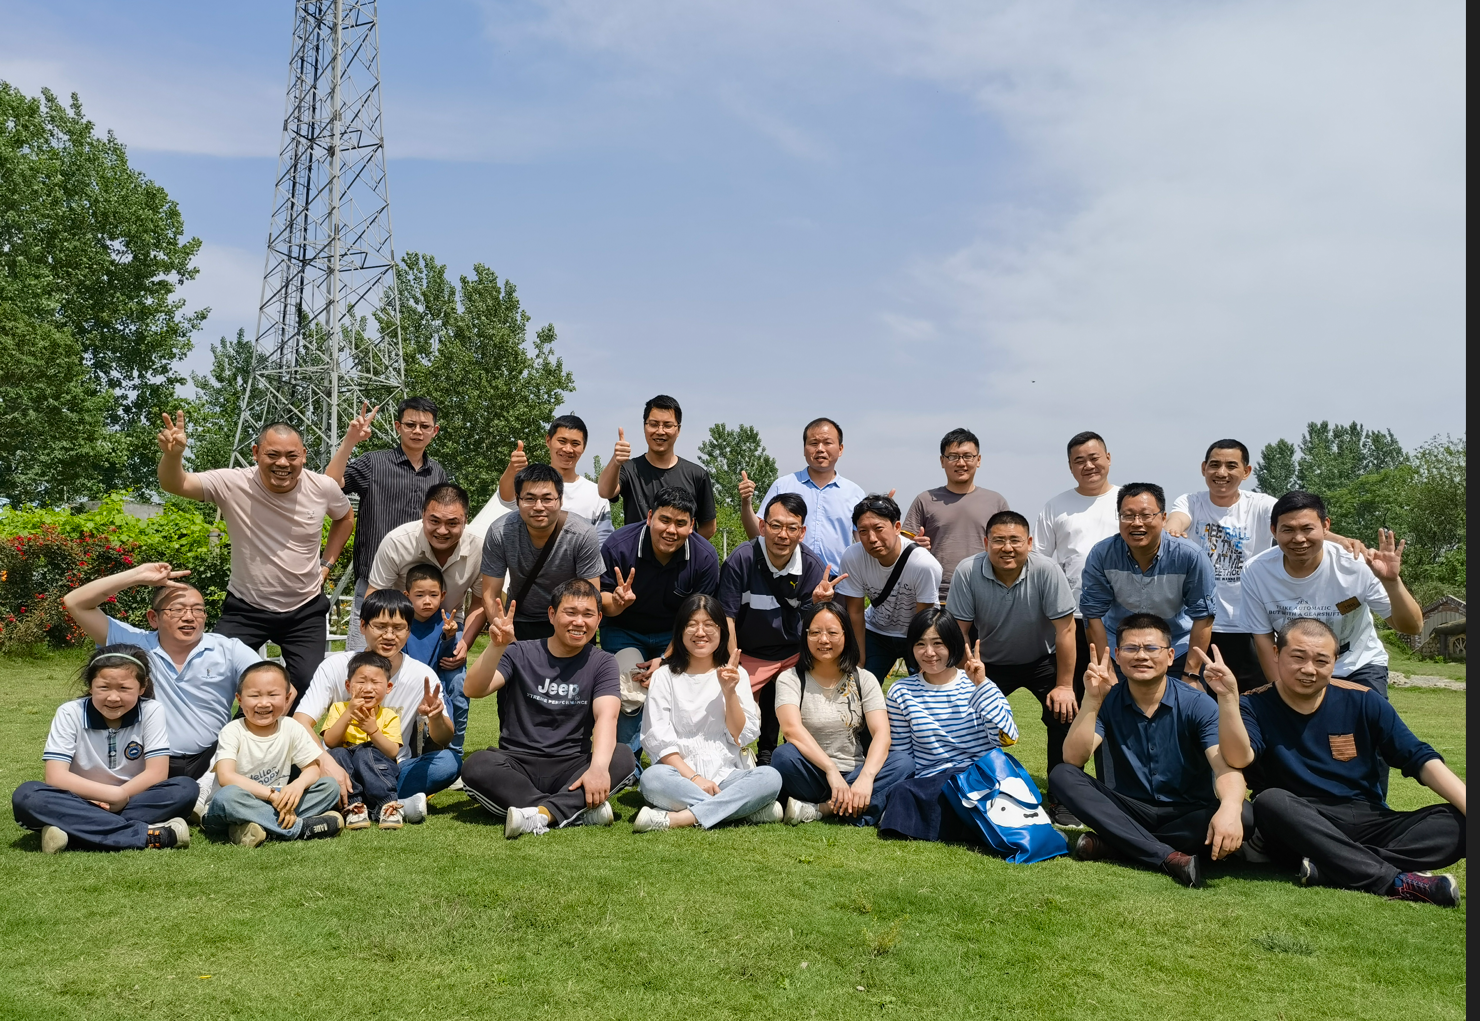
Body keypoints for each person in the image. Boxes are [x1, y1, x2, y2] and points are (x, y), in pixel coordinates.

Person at [1207, 617, 1465, 906]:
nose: (1309, 669)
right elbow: (1239, 757)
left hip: (1366, 817)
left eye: (1321, 661)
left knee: (1458, 822)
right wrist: (1227, 698)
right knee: (1270, 801)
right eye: (1298, 657)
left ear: (1335, 662)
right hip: (1300, 823)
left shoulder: (1364, 700)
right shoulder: (1252, 704)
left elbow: (1418, 757)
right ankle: (1394, 881)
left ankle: (1335, 867)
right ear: (1277, 654)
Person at [156, 413, 353, 700]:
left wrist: (326, 564)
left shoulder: (322, 487)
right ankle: (231, 728)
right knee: (213, 674)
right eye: (272, 455)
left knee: (307, 685)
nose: (282, 463)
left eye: (291, 456)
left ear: (304, 455)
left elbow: (345, 517)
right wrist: (173, 456)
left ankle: (274, 728)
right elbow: (176, 484)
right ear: (256, 452)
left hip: (304, 608)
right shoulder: (232, 482)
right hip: (246, 606)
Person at [1049, 614, 1252, 888]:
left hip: (1186, 812)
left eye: (1151, 648)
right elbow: (1074, 758)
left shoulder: (1197, 704)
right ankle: (1167, 856)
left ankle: (1118, 845)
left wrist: (1229, 808)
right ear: (1117, 656)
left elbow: (1226, 767)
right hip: (1126, 809)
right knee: (1062, 775)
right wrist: (1091, 701)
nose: (1141, 656)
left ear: (1170, 656)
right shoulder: (1107, 700)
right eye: (1131, 648)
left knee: (1244, 815)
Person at [1166, 440, 1357, 692]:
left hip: (1251, 625)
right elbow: (1177, 520)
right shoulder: (1191, 502)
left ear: (1246, 471)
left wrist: (1341, 540)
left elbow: (1298, 523)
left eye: (1231, 466)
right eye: (1214, 465)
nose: (1221, 472)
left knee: (1255, 697)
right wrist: (1172, 530)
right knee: (1202, 698)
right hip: (1203, 625)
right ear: (1204, 468)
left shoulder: (1261, 505)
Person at [461, 580, 637, 838]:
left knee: (622, 757)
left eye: (588, 614)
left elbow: (607, 717)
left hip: (572, 766)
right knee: (476, 765)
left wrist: (598, 768)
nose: (579, 622)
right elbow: (473, 689)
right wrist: (496, 646)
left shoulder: (603, 662)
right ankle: (572, 810)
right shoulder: (520, 652)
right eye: (570, 612)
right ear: (552, 615)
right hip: (517, 763)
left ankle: (539, 815)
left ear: (599, 619)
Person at [62, 562, 261, 784]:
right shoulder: (135, 644)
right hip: (147, 759)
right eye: (177, 610)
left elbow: (277, 686)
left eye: (198, 609)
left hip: (212, 757)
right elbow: (76, 603)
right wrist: (136, 576)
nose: (189, 617)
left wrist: (243, 729)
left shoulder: (228, 650)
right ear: (153, 618)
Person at [945, 510, 1081, 827]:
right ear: (986, 543)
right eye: (999, 540)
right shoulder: (967, 571)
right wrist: (965, 676)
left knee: (1065, 715)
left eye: (1015, 540)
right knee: (964, 717)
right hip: (987, 662)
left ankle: (1063, 800)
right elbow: (958, 632)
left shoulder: (1047, 570)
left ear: (1029, 543)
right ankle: (969, 789)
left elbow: (1066, 629)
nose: (1007, 548)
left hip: (1042, 660)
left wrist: (1064, 685)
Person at [1237, 492, 1421, 699]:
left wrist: (1392, 582)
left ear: (1325, 526)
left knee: (1369, 720)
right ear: (1274, 531)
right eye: (1288, 530)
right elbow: (1263, 639)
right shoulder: (1256, 572)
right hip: (1297, 670)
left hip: (1357, 666)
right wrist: (1283, 692)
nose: (1299, 539)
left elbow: (1412, 627)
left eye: (1307, 528)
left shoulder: (1357, 565)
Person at [13, 645, 196, 853]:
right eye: (104, 687)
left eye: (124, 688)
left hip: (132, 799)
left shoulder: (151, 710)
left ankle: (73, 832)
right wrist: (112, 794)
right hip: (79, 800)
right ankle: (148, 835)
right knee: (27, 795)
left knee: (185, 789)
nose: (113, 697)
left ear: (142, 687)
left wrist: (121, 795)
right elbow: (55, 776)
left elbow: (157, 772)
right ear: (90, 686)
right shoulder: (70, 712)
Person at [294, 590, 456, 823]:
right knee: (299, 761)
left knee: (448, 763)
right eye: (380, 626)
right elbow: (301, 721)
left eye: (398, 628)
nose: (389, 636)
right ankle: (386, 803)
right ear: (363, 626)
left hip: (391, 769)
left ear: (409, 630)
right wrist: (326, 762)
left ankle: (352, 802)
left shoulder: (422, 675)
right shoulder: (335, 666)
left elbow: (444, 738)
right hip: (339, 765)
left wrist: (436, 716)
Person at [632, 594, 785, 832]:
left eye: (709, 625)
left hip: (726, 774)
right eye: (692, 624)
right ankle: (744, 809)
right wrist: (695, 779)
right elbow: (659, 741)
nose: (700, 632)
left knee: (770, 777)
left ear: (721, 631)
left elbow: (740, 736)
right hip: (679, 776)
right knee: (651, 779)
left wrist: (729, 691)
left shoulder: (736, 674)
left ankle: (679, 818)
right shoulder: (664, 676)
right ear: (680, 631)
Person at [598, 487, 721, 772]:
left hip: (675, 633)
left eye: (681, 523)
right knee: (631, 690)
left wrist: (666, 659)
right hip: (624, 627)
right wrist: (617, 602)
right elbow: (599, 600)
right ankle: (626, 767)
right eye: (664, 520)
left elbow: (698, 620)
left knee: (674, 688)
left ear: (692, 525)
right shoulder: (618, 545)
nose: (671, 530)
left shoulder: (704, 557)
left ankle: (672, 762)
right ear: (650, 516)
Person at [877, 607, 1018, 843]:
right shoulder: (901, 692)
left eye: (938, 643)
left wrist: (982, 686)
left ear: (953, 644)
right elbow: (903, 754)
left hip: (978, 776)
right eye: (920, 644)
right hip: (932, 781)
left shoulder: (978, 684)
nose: (929, 652)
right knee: (905, 792)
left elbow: (1008, 737)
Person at [771, 602, 914, 827]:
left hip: (855, 772)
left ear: (846, 636)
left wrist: (866, 777)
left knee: (903, 762)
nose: (823, 639)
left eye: (832, 632)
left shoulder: (864, 679)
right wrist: (830, 770)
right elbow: (791, 730)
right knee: (783, 757)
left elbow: (882, 734)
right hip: (813, 773)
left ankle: (824, 809)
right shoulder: (790, 679)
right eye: (815, 633)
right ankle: (862, 805)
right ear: (805, 636)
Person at [368, 482, 485, 752]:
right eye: (434, 521)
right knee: (383, 685)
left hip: (448, 629)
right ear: (423, 515)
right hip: (401, 630)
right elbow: (375, 597)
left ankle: (452, 752)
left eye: (452, 523)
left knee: (457, 685)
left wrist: (464, 642)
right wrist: (385, 640)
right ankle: (382, 748)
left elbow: (480, 602)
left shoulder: (479, 546)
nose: (442, 530)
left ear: (465, 520)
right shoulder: (398, 542)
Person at [325, 398, 449, 651]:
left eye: (424, 426)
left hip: (419, 589)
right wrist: (350, 441)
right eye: (410, 424)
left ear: (434, 431)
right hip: (375, 583)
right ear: (397, 426)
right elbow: (329, 484)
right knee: (364, 661)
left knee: (412, 665)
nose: (417, 431)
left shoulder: (438, 474)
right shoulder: (373, 463)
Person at [717, 492, 829, 765]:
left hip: (792, 654)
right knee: (727, 707)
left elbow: (813, 626)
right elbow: (727, 618)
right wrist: (734, 665)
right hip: (749, 653)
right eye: (776, 525)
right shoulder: (741, 559)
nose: (783, 535)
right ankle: (726, 759)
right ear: (762, 526)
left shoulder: (812, 566)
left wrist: (817, 605)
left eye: (792, 528)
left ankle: (785, 759)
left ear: (802, 532)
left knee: (805, 709)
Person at [1080, 482, 1216, 680]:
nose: (1136, 523)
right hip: (1120, 651)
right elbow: (1092, 614)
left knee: (1188, 698)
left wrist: (1191, 673)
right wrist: (1106, 669)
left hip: (1176, 649)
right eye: (1128, 515)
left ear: (1163, 518)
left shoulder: (1190, 556)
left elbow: (1203, 616)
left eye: (1146, 515)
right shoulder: (1102, 555)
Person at [204, 661, 345, 847]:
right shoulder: (233, 730)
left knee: (330, 786)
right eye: (254, 695)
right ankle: (300, 828)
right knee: (228, 796)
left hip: (277, 800)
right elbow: (226, 777)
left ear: (287, 698)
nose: (264, 703)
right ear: (240, 699)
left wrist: (297, 786)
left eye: (273, 695)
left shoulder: (291, 726)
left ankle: (251, 827)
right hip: (238, 802)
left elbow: (312, 770)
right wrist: (271, 796)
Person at [1033, 431, 1122, 696]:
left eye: (1094, 458)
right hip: (1072, 617)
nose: (1088, 466)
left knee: (1122, 692)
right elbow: (1038, 560)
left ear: (1108, 458)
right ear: (1070, 467)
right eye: (1079, 461)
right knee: (1078, 693)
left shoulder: (1127, 501)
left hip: (1122, 615)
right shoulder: (1056, 506)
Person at [481, 462, 604, 642]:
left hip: (568, 621)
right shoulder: (500, 532)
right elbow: (490, 595)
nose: (538, 506)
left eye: (547, 499)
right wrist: (503, 631)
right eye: (529, 499)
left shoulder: (582, 534)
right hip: (519, 621)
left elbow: (590, 596)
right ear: (517, 499)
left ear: (560, 500)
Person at [833, 494, 942, 681]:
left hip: (916, 633)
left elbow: (923, 619)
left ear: (897, 527)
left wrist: (923, 661)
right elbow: (855, 612)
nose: (872, 538)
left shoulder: (923, 564)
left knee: (925, 686)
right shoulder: (852, 557)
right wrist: (859, 659)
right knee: (860, 683)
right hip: (876, 631)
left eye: (879, 528)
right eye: (863, 531)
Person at [740, 417, 865, 572]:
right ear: (804, 449)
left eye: (827, 443)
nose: (820, 449)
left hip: (837, 580)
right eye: (814, 443)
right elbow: (758, 535)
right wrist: (746, 503)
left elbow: (864, 543)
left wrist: (883, 518)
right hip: (787, 577)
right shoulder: (783, 486)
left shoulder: (855, 493)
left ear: (840, 449)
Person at [902, 428, 1009, 602]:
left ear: (978, 460)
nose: (961, 463)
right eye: (953, 456)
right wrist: (914, 547)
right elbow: (902, 548)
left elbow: (1007, 546)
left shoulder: (996, 502)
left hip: (985, 595)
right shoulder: (925, 500)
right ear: (942, 461)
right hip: (935, 595)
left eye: (967, 456)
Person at [478, 414, 613, 544]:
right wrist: (512, 469)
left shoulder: (596, 493)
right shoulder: (530, 482)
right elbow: (506, 498)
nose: (568, 449)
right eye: (562, 441)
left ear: (584, 447)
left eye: (575, 443)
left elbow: (603, 540)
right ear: (548, 441)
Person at [598, 394, 718, 539]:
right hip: (636, 553)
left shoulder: (696, 475)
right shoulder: (629, 469)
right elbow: (605, 492)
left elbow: (709, 527)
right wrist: (616, 461)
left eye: (667, 425)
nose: (660, 431)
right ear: (644, 427)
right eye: (653, 424)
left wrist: (680, 545)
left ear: (678, 430)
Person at [321, 651, 407, 830]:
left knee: (366, 752)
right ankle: (355, 806)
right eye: (361, 682)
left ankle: (388, 804)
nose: (368, 688)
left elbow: (392, 752)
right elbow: (330, 741)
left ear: (388, 687)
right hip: (349, 771)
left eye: (375, 682)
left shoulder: (389, 715)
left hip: (378, 769)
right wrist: (348, 713)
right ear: (348, 685)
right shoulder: (339, 708)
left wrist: (373, 730)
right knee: (337, 753)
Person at [403, 563, 460, 673]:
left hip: (437, 680)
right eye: (419, 595)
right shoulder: (400, 622)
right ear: (407, 596)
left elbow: (447, 660)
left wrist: (450, 636)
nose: (427, 601)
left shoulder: (446, 622)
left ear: (442, 596)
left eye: (433, 595)